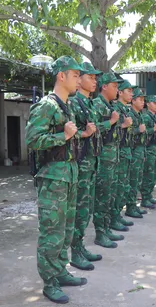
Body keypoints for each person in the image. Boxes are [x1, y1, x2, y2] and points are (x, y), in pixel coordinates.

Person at [25, 56, 90, 304]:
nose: (79, 79)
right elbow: (32, 140)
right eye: (75, 75)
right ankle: (49, 282)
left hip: (69, 175)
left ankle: (61, 271)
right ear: (61, 76)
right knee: (51, 232)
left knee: (66, 230)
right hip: (53, 177)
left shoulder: (67, 106)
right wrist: (62, 136)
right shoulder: (46, 106)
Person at [68, 62, 102, 271]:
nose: (94, 81)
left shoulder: (89, 104)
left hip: (91, 163)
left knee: (86, 208)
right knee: (79, 209)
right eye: (91, 77)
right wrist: (85, 134)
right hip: (80, 163)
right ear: (79, 80)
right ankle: (75, 252)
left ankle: (80, 247)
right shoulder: (73, 103)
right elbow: (71, 132)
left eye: (95, 78)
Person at [92, 72, 126, 247]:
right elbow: (92, 129)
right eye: (114, 86)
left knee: (110, 195)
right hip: (103, 158)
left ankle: (105, 229)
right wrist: (111, 122)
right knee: (102, 197)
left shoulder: (110, 105)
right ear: (104, 86)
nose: (117, 90)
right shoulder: (97, 105)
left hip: (113, 158)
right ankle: (100, 233)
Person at [111, 80, 137, 231]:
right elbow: (111, 133)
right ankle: (113, 218)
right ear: (120, 92)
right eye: (129, 91)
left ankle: (117, 215)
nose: (131, 94)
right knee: (117, 187)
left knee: (123, 186)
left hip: (126, 152)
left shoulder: (126, 110)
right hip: (118, 152)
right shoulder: (115, 109)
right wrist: (123, 126)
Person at [126, 88, 148, 218]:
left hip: (140, 152)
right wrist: (137, 130)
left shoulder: (139, 114)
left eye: (143, 100)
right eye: (140, 99)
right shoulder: (130, 114)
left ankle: (133, 205)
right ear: (133, 100)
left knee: (137, 180)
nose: (142, 102)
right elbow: (126, 132)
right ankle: (130, 207)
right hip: (133, 152)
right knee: (132, 181)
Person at [141, 95, 156, 209]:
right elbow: (142, 133)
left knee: (153, 175)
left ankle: (149, 196)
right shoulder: (146, 117)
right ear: (148, 104)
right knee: (148, 174)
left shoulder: (155, 117)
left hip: (155, 149)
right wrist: (153, 129)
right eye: (154, 103)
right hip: (149, 149)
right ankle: (145, 198)